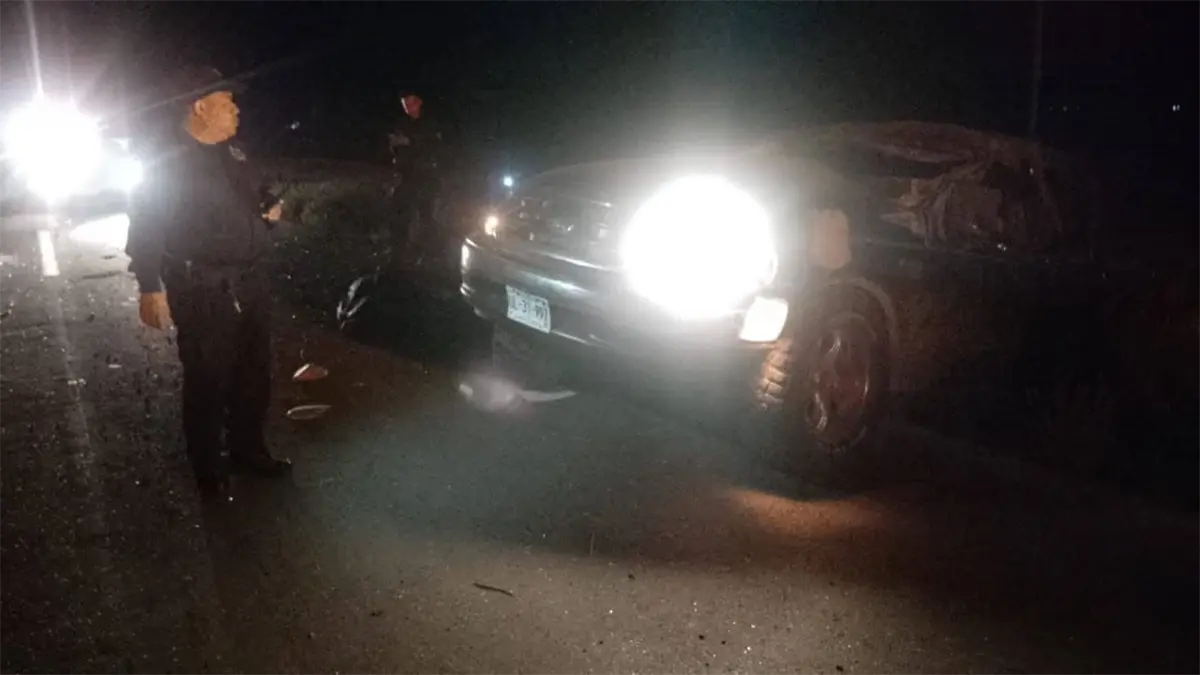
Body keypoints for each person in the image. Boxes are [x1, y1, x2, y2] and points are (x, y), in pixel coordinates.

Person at [126, 66, 291, 499]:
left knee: (254, 374)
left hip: (250, 281)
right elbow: (146, 226)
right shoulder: (167, 163)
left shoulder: (235, 154)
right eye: (227, 101)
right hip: (202, 287)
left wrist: (268, 211)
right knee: (208, 378)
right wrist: (149, 286)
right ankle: (208, 467)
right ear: (200, 107)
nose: (236, 109)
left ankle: (248, 450)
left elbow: (255, 199)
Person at [388, 92, 445, 265]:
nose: (408, 107)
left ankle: (431, 254)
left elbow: (435, 146)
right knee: (401, 215)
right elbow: (395, 147)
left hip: (426, 178)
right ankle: (400, 254)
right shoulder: (402, 124)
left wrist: (411, 142)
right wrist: (395, 147)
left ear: (419, 102)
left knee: (426, 217)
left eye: (411, 103)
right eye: (404, 104)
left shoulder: (430, 123)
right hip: (406, 177)